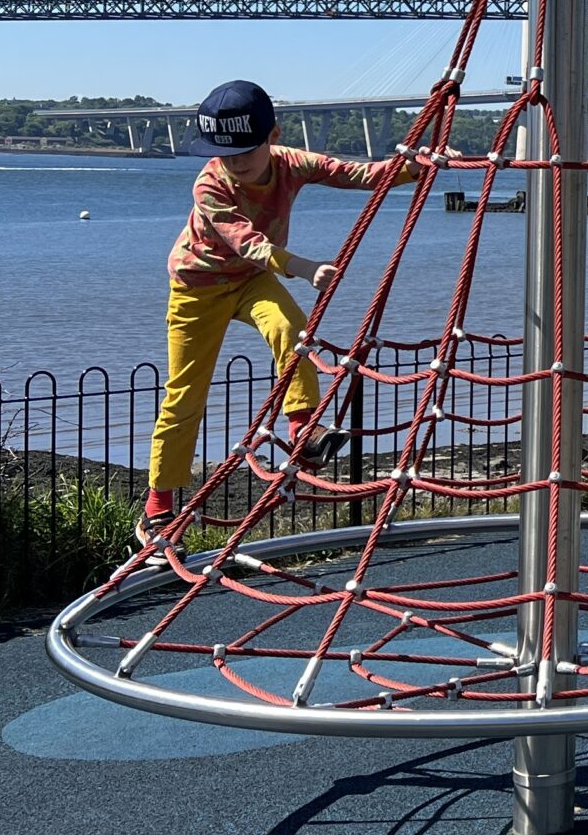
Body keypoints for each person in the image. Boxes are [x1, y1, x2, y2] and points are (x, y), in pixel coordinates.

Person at [141, 79, 424, 535]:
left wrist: (410, 168)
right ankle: (160, 500)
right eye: (225, 154)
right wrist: (304, 267)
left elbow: (353, 174)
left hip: (251, 281)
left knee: (293, 329)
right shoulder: (210, 184)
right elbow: (247, 243)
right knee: (185, 395)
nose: (234, 164)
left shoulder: (290, 164)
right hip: (197, 288)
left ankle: (302, 429)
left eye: (244, 154)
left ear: (273, 138)